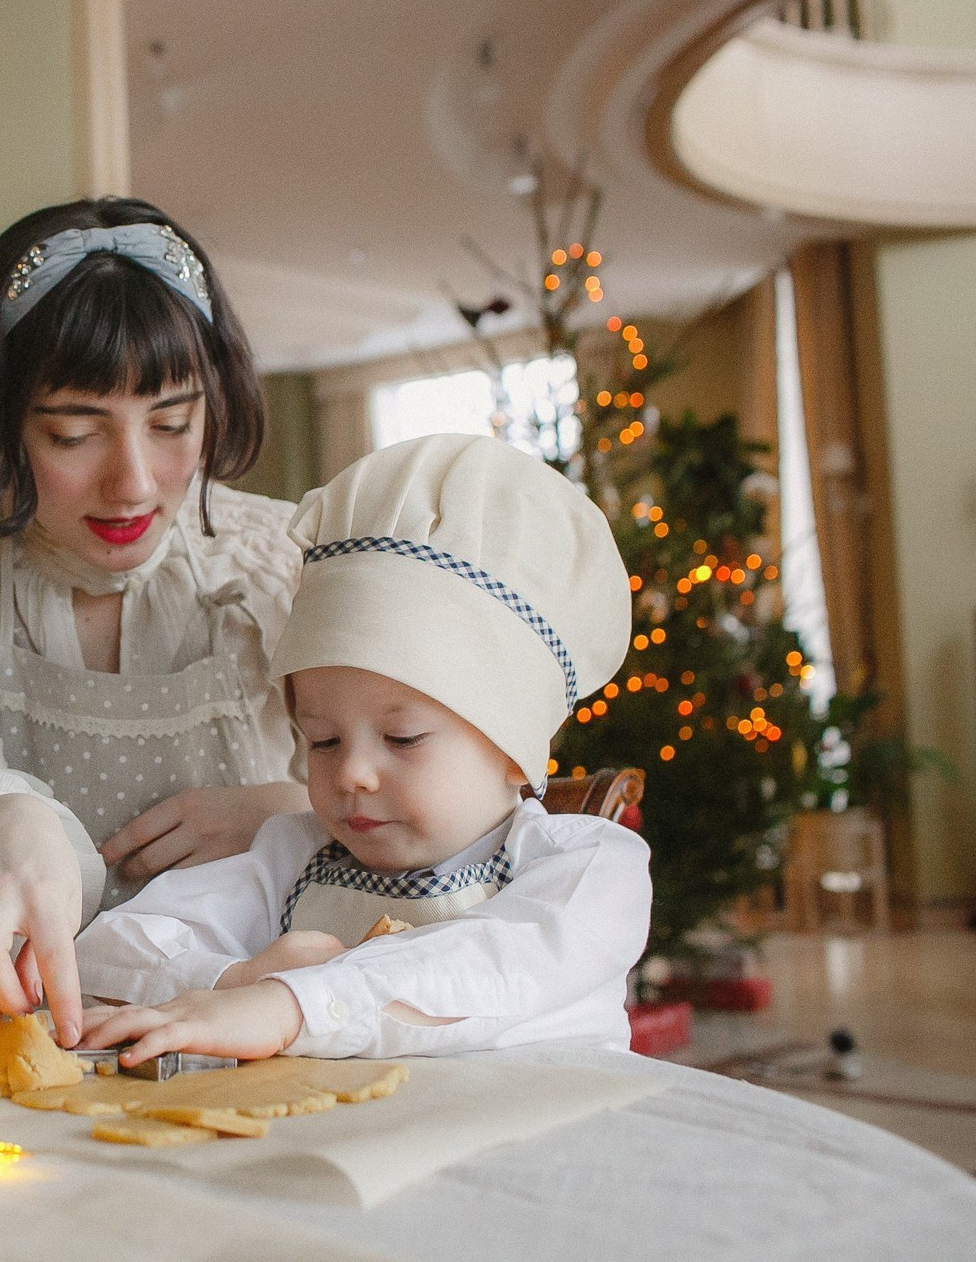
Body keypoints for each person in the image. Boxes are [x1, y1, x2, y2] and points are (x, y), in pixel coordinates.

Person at [0, 198, 308, 1044]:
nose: (133, 482)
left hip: (235, 1016)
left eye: (173, 423)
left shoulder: (287, 557)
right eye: (73, 433)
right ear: (1, 424)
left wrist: (288, 813)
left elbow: (423, 788)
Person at [74, 434, 652, 1064]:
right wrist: (235, 982)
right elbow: (104, 953)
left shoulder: (587, 867)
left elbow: (498, 965)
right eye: (321, 739)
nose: (350, 772)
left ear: (515, 750)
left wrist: (295, 1005)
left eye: (402, 738)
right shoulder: (292, 859)